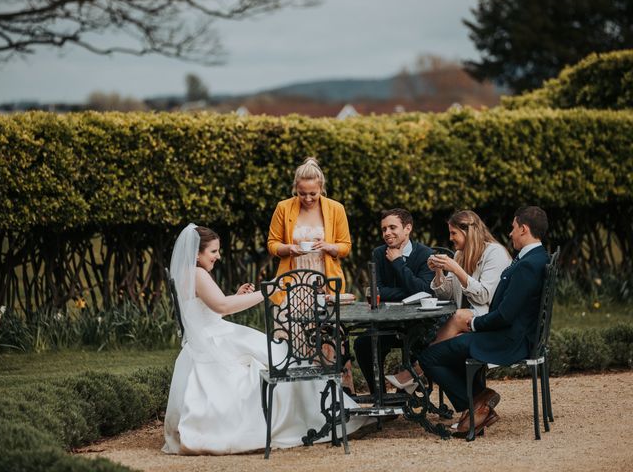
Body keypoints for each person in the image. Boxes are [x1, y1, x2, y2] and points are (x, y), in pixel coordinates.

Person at [163, 224, 366, 455]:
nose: (218, 256)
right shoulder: (198, 273)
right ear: (197, 253)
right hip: (214, 339)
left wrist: (238, 296)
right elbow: (221, 306)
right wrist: (266, 291)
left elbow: (208, 308)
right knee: (279, 359)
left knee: (275, 355)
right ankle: (307, 419)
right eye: (213, 251)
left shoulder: (190, 273)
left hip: (209, 334)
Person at [418, 206, 550, 437]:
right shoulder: (536, 259)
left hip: (509, 340)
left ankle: (478, 400)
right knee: (447, 348)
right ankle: (479, 403)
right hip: (512, 333)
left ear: (524, 229)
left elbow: (504, 314)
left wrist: (475, 325)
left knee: (430, 356)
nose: (510, 233)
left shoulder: (527, 264)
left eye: (513, 228)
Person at [387, 210, 512, 388]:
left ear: (468, 231)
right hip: (468, 322)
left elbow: (485, 295)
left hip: (492, 320)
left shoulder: (494, 253)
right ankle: (476, 400)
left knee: (455, 321)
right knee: (441, 344)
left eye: (454, 233)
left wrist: (456, 269)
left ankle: (415, 371)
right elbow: (446, 295)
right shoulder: (461, 254)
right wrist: (438, 272)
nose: (451, 238)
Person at [267, 157, 355, 392]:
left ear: (321, 188)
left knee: (329, 336)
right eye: (302, 193)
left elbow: (345, 246)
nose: (307, 199)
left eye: (313, 194)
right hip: (292, 282)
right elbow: (272, 243)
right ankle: (298, 395)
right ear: (296, 187)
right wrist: (288, 249)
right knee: (292, 333)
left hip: (324, 282)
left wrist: (329, 246)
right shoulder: (283, 208)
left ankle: (334, 393)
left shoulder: (336, 209)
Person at [353, 208, 436, 395]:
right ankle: (379, 396)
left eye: (392, 227)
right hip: (387, 322)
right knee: (363, 344)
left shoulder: (424, 254)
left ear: (407, 228)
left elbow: (425, 291)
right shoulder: (378, 253)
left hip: (418, 324)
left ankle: (404, 395)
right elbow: (378, 290)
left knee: (421, 344)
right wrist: (409, 289)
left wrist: (399, 262)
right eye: (384, 229)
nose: (387, 233)